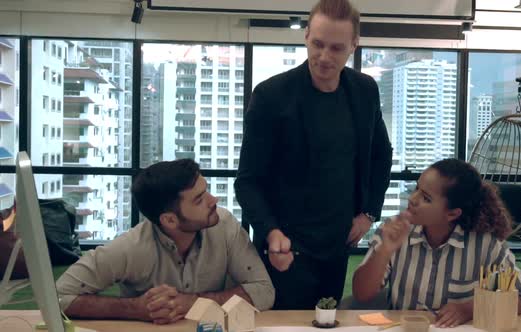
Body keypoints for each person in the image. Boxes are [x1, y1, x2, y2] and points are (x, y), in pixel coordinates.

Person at [235, 0, 392, 309]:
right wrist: (270, 232)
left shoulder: (363, 90)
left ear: (353, 45)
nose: (323, 57)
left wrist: (368, 213)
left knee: (328, 320)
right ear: (306, 35)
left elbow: (381, 155)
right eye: (317, 44)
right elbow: (248, 182)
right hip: (285, 246)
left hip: (338, 240)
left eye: (336, 48)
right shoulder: (271, 96)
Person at [56, 159, 275, 324]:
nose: (213, 201)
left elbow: (264, 292)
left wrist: (193, 302)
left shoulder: (225, 226)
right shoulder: (131, 247)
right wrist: (136, 309)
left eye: (205, 191)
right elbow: (58, 296)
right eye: (199, 199)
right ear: (169, 220)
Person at [353, 158, 521, 328]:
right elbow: (362, 294)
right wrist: (383, 251)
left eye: (426, 198)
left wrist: (468, 309)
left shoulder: (486, 244)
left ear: (452, 214)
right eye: (416, 189)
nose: (412, 199)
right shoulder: (393, 230)